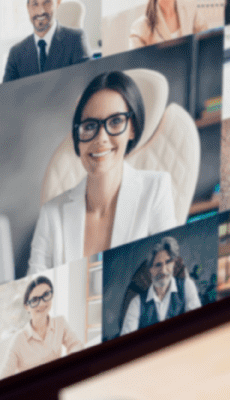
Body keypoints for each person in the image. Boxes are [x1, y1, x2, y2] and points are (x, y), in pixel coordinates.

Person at [30, 72, 177, 273]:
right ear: (77, 137)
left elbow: (168, 277)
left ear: (132, 128)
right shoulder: (51, 214)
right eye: (90, 126)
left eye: (115, 121)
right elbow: (34, 290)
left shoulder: (156, 190)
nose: (101, 138)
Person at [2, 0, 90, 82]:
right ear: (28, 8)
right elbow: (6, 96)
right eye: (35, 4)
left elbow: (87, 85)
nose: (40, 11)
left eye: (47, 2)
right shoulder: (16, 53)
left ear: (58, 2)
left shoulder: (76, 39)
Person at [0, 276, 83, 378]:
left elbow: (76, 344)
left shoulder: (60, 322)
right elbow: (3, 378)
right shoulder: (18, 340)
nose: (42, 303)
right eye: (34, 300)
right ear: (27, 306)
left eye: (46, 294)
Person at [120, 235, 203, 333]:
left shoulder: (186, 286)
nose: (163, 270)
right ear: (150, 270)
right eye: (158, 265)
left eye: (168, 262)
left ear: (173, 264)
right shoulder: (136, 303)